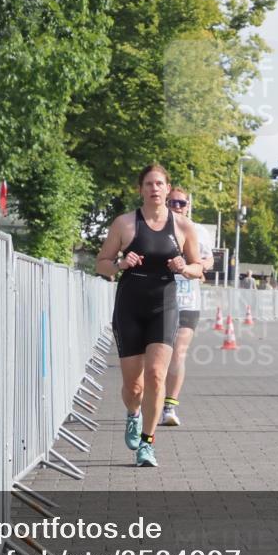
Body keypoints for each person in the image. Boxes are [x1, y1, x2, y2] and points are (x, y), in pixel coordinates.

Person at [96, 164, 202, 466]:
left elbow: (198, 268)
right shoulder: (124, 224)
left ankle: (147, 443)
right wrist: (120, 264)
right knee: (134, 386)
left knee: (156, 374)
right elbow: (101, 263)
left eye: (159, 184)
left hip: (164, 305)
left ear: (167, 188)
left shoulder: (183, 227)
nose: (154, 188)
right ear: (140, 189)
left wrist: (184, 268)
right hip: (130, 306)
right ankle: (133, 413)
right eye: (149, 184)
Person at [159, 187, 214, 428]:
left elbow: (208, 259)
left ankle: (169, 408)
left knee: (178, 352)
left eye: (181, 203)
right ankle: (146, 404)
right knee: (157, 356)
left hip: (188, 300)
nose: (177, 207)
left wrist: (199, 266)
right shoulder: (156, 227)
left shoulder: (198, 230)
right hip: (160, 299)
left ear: (188, 205)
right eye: (173, 202)